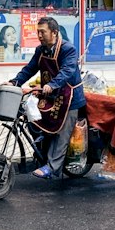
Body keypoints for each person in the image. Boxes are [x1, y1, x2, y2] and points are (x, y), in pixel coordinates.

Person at [12, 15, 85, 181]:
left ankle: (52, 168)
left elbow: (67, 71)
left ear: (54, 32)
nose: (39, 35)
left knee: (61, 132)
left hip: (70, 99)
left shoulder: (68, 49)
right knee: (33, 119)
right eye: (37, 32)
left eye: (42, 32)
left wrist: (52, 84)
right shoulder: (41, 50)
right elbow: (30, 69)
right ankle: (44, 156)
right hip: (50, 96)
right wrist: (14, 82)